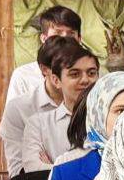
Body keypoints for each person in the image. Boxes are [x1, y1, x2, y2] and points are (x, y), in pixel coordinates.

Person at [0, 35, 73, 177]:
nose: (81, 79)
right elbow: (20, 171)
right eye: (63, 68)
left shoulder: (91, 106)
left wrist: (51, 167)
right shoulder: (19, 109)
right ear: (44, 69)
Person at [21, 42, 99, 172]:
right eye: (75, 74)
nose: (85, 80)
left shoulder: (110, 119)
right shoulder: (39, 124)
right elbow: (34, 169)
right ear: (56, 80)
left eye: (91, 73)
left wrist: (56, 167)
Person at [7, 6, 82, 101]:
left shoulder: (90, 75)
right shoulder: (23, 76)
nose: (65, 39)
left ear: (79, 39)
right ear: (44, 38)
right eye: (58, 33)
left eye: (71, 34)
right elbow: (14, 110)